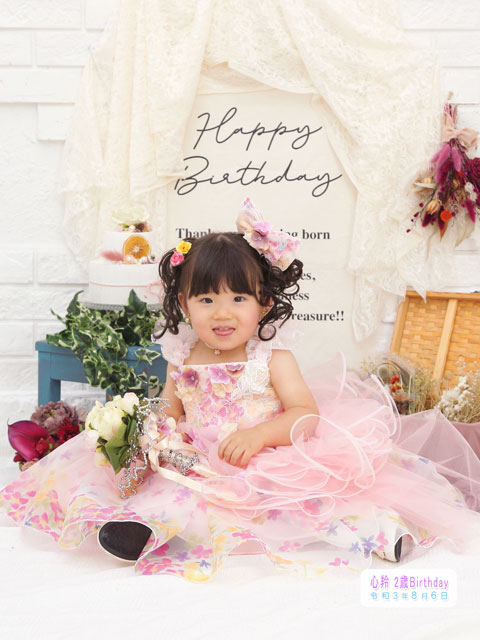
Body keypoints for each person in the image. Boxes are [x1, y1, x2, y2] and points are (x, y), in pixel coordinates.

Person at [1, 199, 480, 581]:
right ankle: (140, 530)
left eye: (238, 297)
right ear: (184, 304)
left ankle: (380, 532)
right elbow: (170, 412)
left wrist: (259, 436)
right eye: (206, 299)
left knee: (309, 500)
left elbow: (305, 414)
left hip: (265, 457)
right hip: (201, 462)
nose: (222, 312)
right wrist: (156, 437)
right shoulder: (181, 357)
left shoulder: (271, 357)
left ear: (263, 303)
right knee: (175, 490)